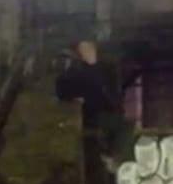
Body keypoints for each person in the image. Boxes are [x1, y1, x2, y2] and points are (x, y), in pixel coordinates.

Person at [55, 40, 133, 168]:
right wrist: (73, 98)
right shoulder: (78, 71)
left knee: (121, 123)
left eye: (88, 50)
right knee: (124, 125)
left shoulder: (102, 69)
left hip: (105, 112)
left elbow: (107, 90)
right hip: (91, 115)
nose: (86, 53)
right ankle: (116, 159)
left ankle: (112, 157)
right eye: (83, 51)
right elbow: (62, 87)